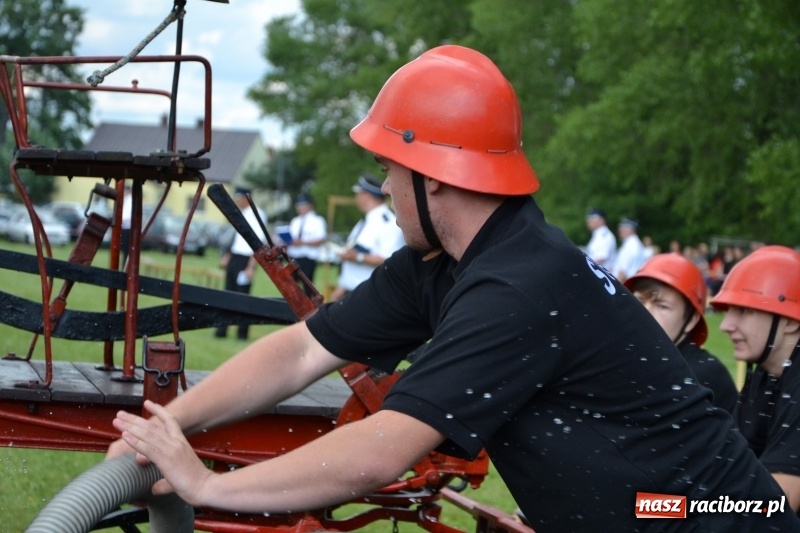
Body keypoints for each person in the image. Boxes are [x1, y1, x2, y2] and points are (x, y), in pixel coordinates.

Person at [109, 45, 799, 532]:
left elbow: (382, 450)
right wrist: (171, 424)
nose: (383, 186)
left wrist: (207, 484)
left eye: (389, 164)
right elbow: (301, 351)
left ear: (434, 176)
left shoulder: (521, 285)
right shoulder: (442, 260)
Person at [710, 245, 800, 512]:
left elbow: (774, 505)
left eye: (743, 311)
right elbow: (728, 462)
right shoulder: (765, 373)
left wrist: (668, 507)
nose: (725, 325)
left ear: (791, 322)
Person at [624, 253, 738, 413]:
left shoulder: (700, 376)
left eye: (662, 306)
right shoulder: (629, 358)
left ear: (691, 320)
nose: (645, 313)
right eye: (639, 301)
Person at [328, 173, 404, 301]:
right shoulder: (364, 222)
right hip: (352, 291)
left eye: (358, 193)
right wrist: (342, 286)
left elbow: (389, 261)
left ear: (367, 195)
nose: (356, 198)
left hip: (371, 295)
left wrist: (357, 257)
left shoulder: (388, 223)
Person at [213, 186, 267, 340]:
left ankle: (242, 333)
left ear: (245, 198)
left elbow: (258, 243)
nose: (236, 201)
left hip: (246, 258)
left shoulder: (257, 214)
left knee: (243, 296)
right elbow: (237, 238)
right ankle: (222, 330)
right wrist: (228, 255)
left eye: (238, 198)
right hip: (236, 256)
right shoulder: (242, 213)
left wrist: (251, 266)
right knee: (228, 293)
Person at [283, 193, 327, 294]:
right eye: (298, 205)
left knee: (307, 287)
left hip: (308, 258)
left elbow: (320, 239)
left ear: (310, 205)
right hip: (293, 257)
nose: (300, 207)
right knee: (289, 286)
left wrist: (302, 242)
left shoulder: (317, 220)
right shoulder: (295, 221)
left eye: (303, 204)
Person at [612, 217, 647, 283]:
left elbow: (622, 273)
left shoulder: (631, 246)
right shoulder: (633, 243)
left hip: (624, 284)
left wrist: (615, 287)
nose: (620, 230)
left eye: (624, 228)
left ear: (632, 230)